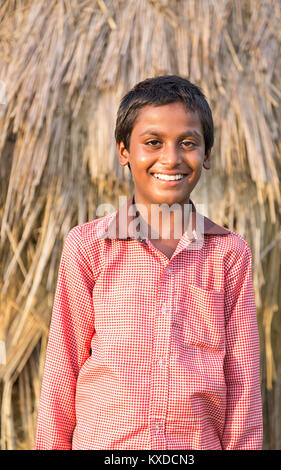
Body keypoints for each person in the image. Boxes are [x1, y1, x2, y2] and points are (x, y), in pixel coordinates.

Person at [35, 75, 263, 450]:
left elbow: (242, 386)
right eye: (153, 143)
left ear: (206, 155)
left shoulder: (229, 254)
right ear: (124, 151)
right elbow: (63, 370)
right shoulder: (88, 248)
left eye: (188, 143)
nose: (171, 158)